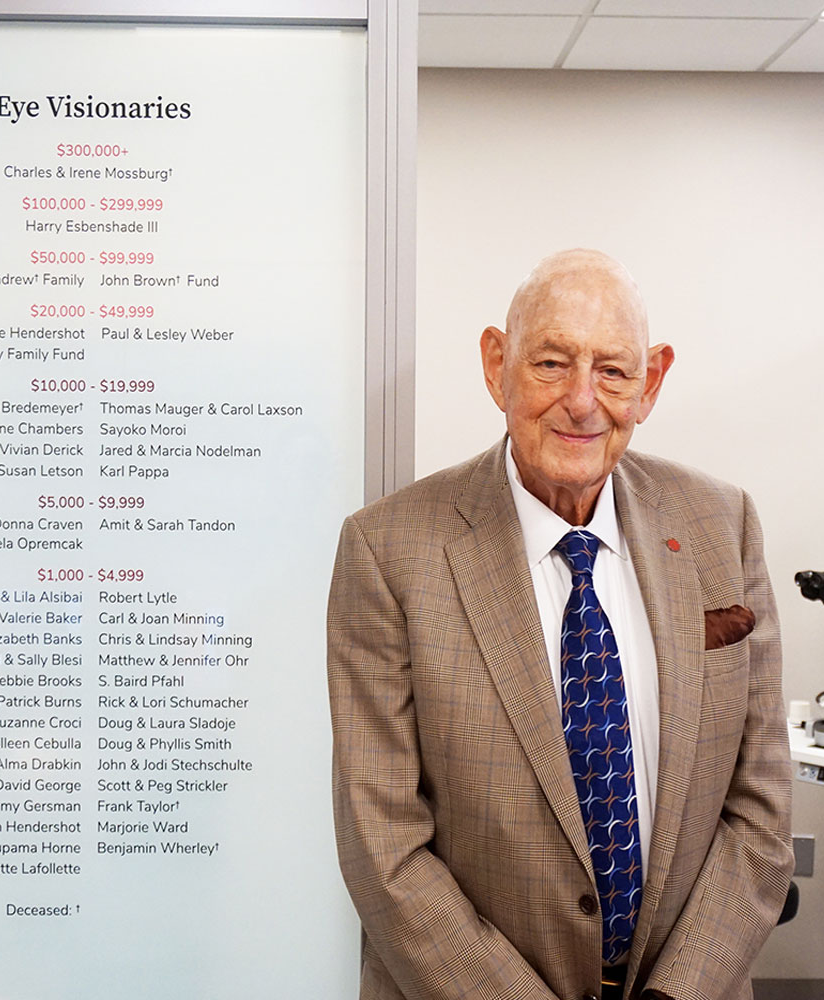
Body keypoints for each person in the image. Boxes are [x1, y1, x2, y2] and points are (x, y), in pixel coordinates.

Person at [327, 249, 793, 1000]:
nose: (582, 401)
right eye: (551, 364)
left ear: (652, 382)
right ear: (495, 364)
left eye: (613, 371)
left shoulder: (721, 526)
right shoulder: (390, 551)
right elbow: (382, 845)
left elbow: (761, 808)